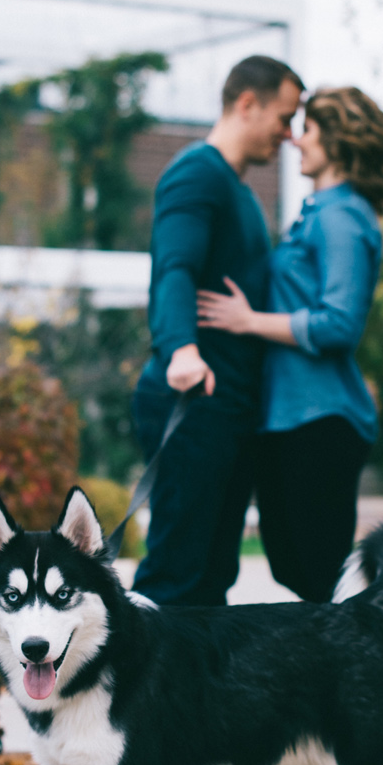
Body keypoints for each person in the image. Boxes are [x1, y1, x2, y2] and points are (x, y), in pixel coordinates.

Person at [197, 86, 383, 603]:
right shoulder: (319, 211)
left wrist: (249, 321)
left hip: (322, 418)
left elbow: (339, 324)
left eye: (307, 130)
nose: (295, 140)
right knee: (295, 565)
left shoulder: (343, 216)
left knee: (318, 570)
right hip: (287, 417)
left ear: (339, 141)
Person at [131, 54, 303, 605]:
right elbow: (174, 268)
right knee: (176, 574)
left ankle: (199, 695)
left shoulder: (241, 192)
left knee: (211, 580)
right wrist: (181, 348)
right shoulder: (195, 172)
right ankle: (143, 693)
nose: (289, 134)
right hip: (192, 400)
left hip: (228, 411)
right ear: (247, 104)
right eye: (284, 117)